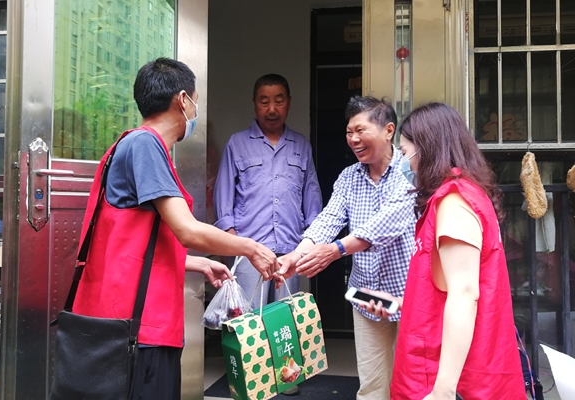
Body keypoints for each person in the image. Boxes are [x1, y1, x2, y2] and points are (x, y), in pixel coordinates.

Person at [71, 58, 279, 400]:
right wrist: (251, 247)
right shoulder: (146, 145)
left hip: (132, 320)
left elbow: (135, 242)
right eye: (195, 101)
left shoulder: (136, 145)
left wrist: (197, 263)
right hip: (139, 326)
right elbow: (187, 230)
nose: (196, 110)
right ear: (183, 100)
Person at [364, 102, 526, 400]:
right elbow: (446, 288)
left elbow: (464, 294)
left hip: (450, 377)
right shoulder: (462, 194)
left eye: (404, 153)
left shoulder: (454, 202)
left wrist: (443, 391)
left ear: (427, 149)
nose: (405, 164)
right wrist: (402, 304)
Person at [277, 96, 416, 400]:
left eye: (360, 130)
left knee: (412, 382)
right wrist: (297, 255)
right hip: (365, 295)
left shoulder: (410, 170)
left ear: (388, 130)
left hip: (409, 295)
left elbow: (387, 222)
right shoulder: (348, 177)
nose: (353, 139)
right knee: (372, 384)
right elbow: (328, 220)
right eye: (349, 132)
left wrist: (336, 250)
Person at [213, 74, 322, 309]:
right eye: (264, 102)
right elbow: (223, 197)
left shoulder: (301, 145)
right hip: (248, 251)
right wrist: (232, 243)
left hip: (290, 250)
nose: (272, 109)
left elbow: (312, 196)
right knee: (249, 319)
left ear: (289, 102)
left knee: (284, 319)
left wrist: (309, 243)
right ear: (255, 103)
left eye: (279, 101)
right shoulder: (237, 143)